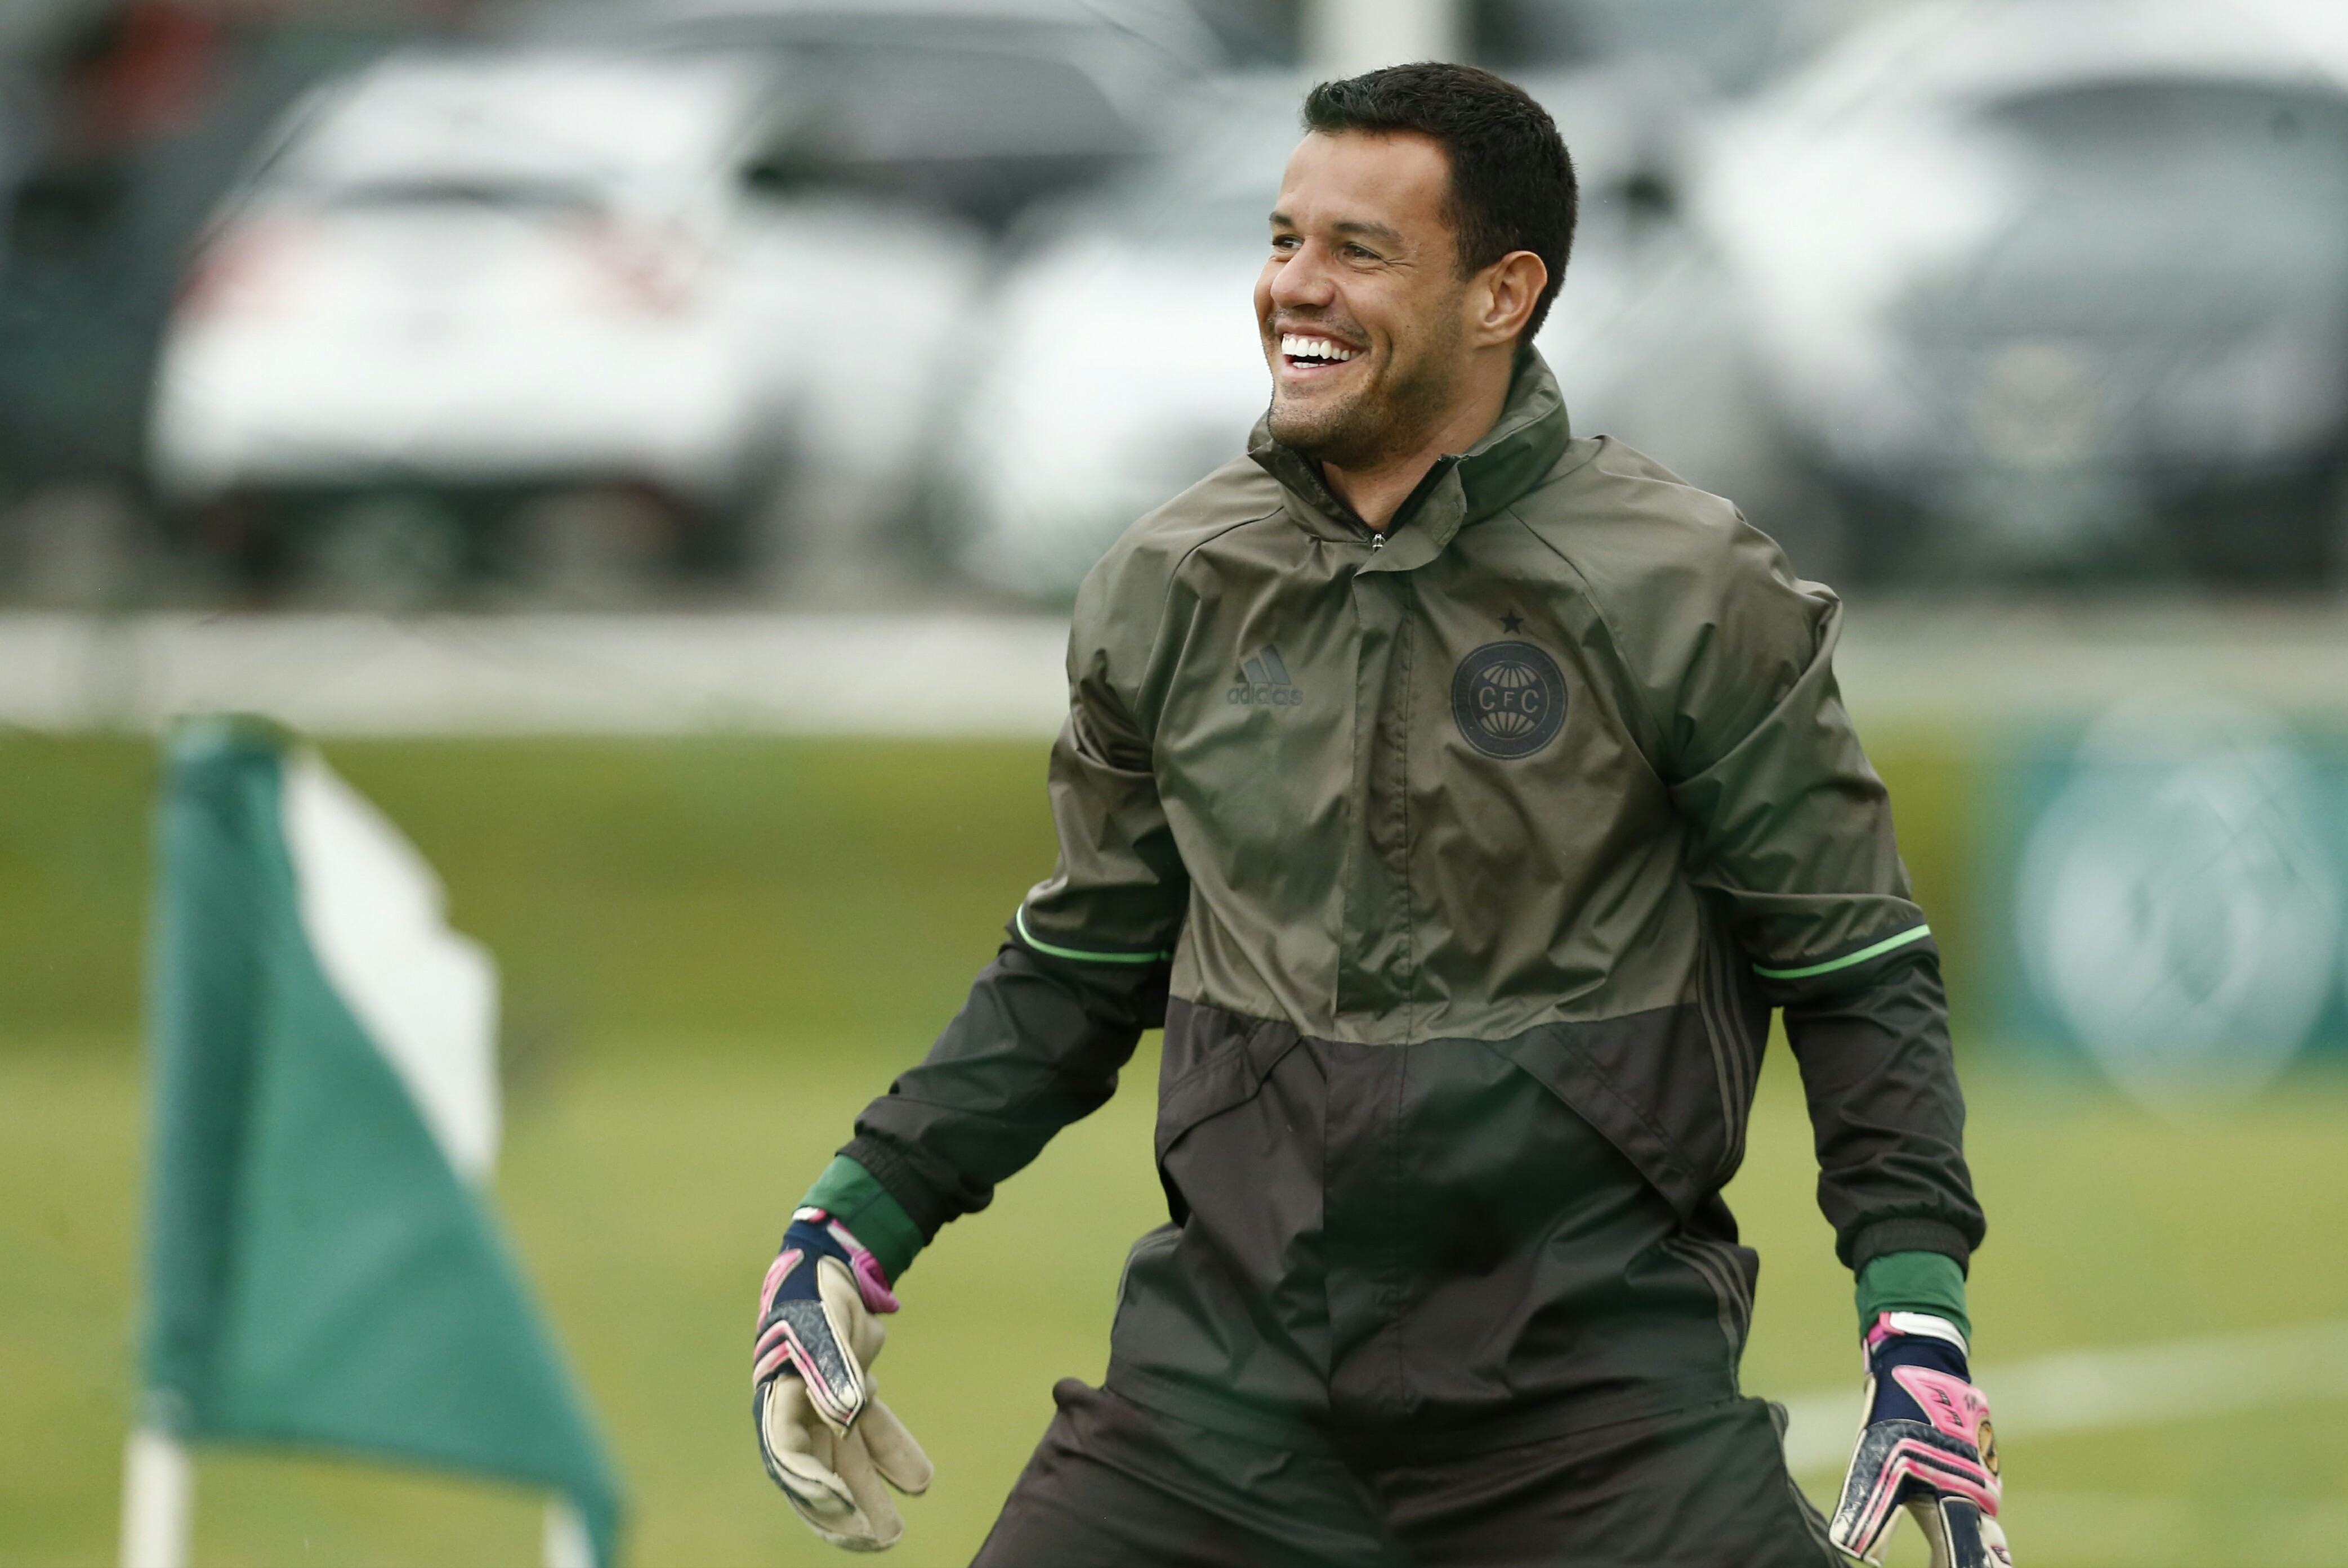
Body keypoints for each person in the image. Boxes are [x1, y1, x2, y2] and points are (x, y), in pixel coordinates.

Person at [750, 62, 2010, 1567]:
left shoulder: (1689, 588)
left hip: (1599, 1428)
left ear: (1501, 296)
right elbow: (1078, 966)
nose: (1296, 285)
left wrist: (1916, 1318)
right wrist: (852, 1220)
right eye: (1286, 239)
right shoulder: (1170, 584)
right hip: (1217, 1417)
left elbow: (1853, 970)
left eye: (1358, 250)